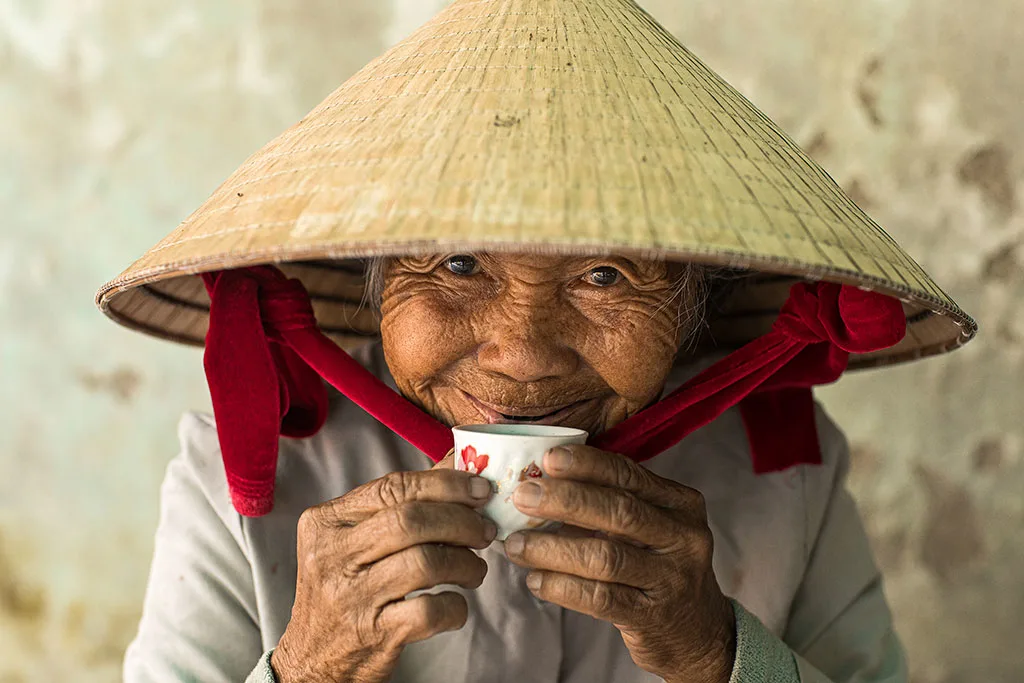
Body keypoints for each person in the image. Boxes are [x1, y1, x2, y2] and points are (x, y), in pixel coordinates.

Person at [95, 2, 975, 682]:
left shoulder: (787, 466)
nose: (521, 354)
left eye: (604, 276)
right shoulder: (247, 460)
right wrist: (313, 661)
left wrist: (717, 652)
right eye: (460, 263)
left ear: (695, 301)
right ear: (374, 275)